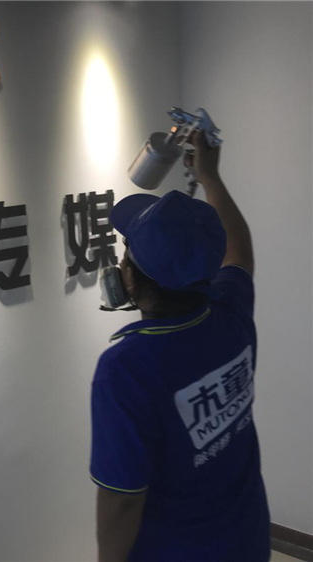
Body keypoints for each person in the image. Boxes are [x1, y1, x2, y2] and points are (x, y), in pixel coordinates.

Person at [89, 131, 270, 562]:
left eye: (126, 253)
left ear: (129, 278)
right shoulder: (229, 310)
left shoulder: (127, 367)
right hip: (247, 539)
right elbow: (240, 254)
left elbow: (122, 499)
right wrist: (210, 177)